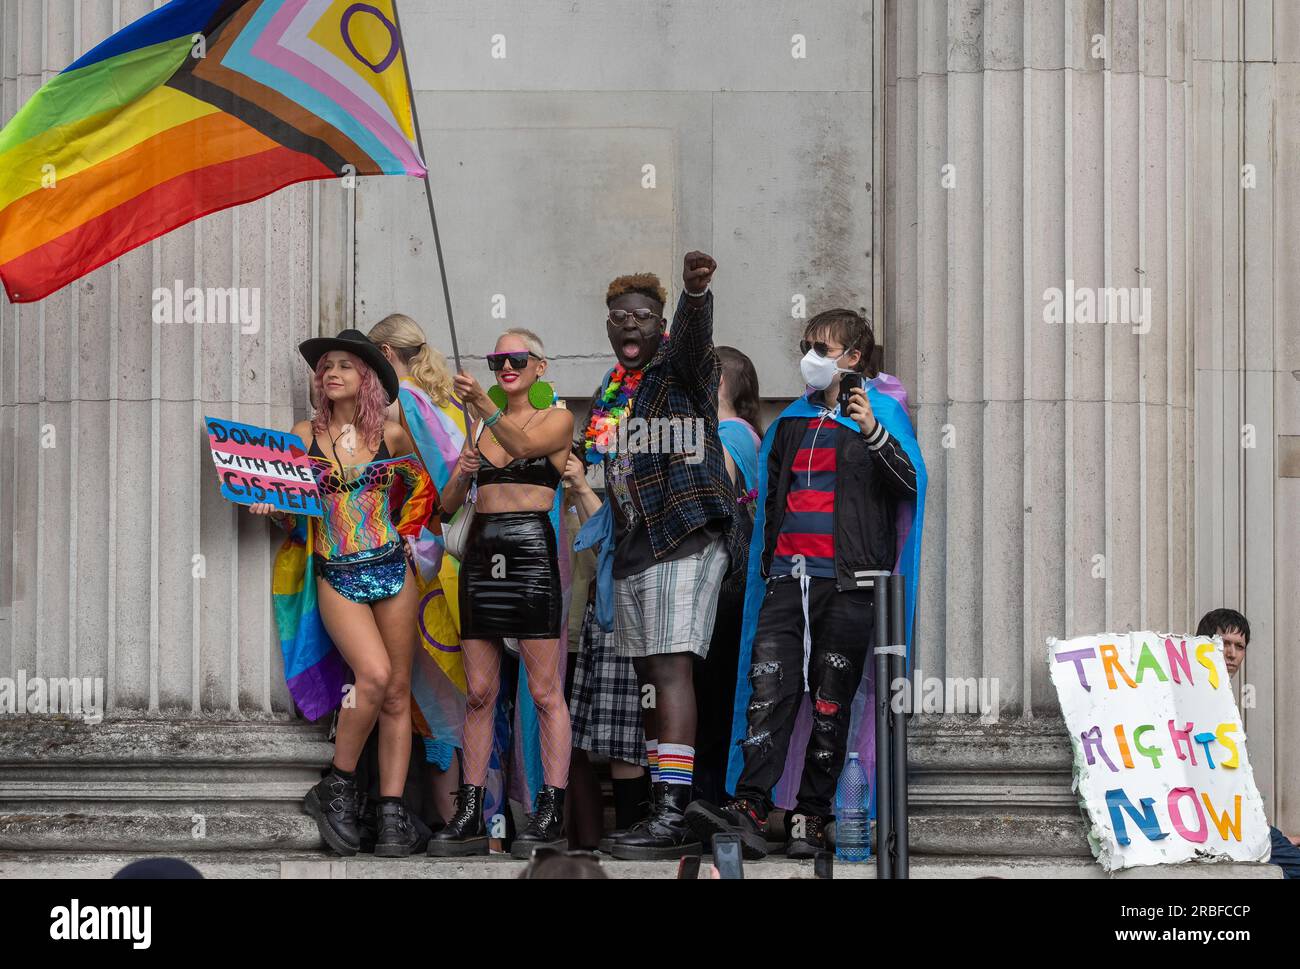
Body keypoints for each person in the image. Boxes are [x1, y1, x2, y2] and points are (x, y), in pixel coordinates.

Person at [687, 308, 923, 860]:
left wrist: (872, 431)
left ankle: (812, 818)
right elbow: (770, 503)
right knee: (767, 693)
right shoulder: (790, 421)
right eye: (806, 345)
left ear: (854, 358)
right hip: (787, 582)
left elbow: (910, 484)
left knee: (830, 702)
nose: (810, 357)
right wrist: (768, 569)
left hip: (850, 584)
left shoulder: (882, 414)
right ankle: (749, 805)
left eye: (823, 347)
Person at [566, 252, 734, 859]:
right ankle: (667, 806)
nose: (628, 326)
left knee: (669, 669)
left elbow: (695, 340)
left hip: (682, 534)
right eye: (618, 318)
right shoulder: (612, 392)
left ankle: (670, 809)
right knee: (646, 677)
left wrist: (694, 294)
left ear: (658, 324)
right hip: (632, 545)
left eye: (640, 316)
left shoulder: (677, 368)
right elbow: (596, 462)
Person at [255, 330, 435, 857]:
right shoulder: (301, 435)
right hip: (336, 571)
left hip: (391, 570)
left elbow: (422, 489)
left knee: (398, 692)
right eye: (326, 367)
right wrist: (274, 509)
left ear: (368, 380)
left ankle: (392, 810)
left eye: (345, 367)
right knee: (373, 677)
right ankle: (338, 784)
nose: (332, 373)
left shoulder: (393, 436)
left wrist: (408, 534)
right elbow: (293, 515)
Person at [428, 328, 575, 858]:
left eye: (515, 359)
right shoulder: (479, 425)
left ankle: (550, 808)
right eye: (497, 360)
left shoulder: (555, 417)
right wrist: (462, 470)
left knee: (542, 690)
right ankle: (470, 811)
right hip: (482, 552)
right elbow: (445, 510)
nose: (505, 367)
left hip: (530, 549)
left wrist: (484, 409)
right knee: (479, 692)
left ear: (539, 366)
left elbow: (525, 447)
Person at [366, 314, 468, 828]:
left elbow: (436, 486)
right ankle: (457, 824)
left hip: (419, 560)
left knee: (434, 699)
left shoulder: (403, 403)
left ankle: (456, 824)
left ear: (385, 354)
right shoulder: (439, 402)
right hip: (435, 561)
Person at [692, 346, 762, 806]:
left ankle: (707, 797)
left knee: (708, 696)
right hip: (742, 583)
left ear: (716, 383)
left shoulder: (725, 435)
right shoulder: (752, 435)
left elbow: (714, 499)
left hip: (721, 582)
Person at [1195, 608, 1300, 879]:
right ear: (1202, 646)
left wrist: (1269, 831)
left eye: (1239, 646)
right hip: (1214, 830)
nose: (1231, 654)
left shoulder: (1224, 700)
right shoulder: (1188, 699)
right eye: (1223, 644)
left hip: (1246, 824)